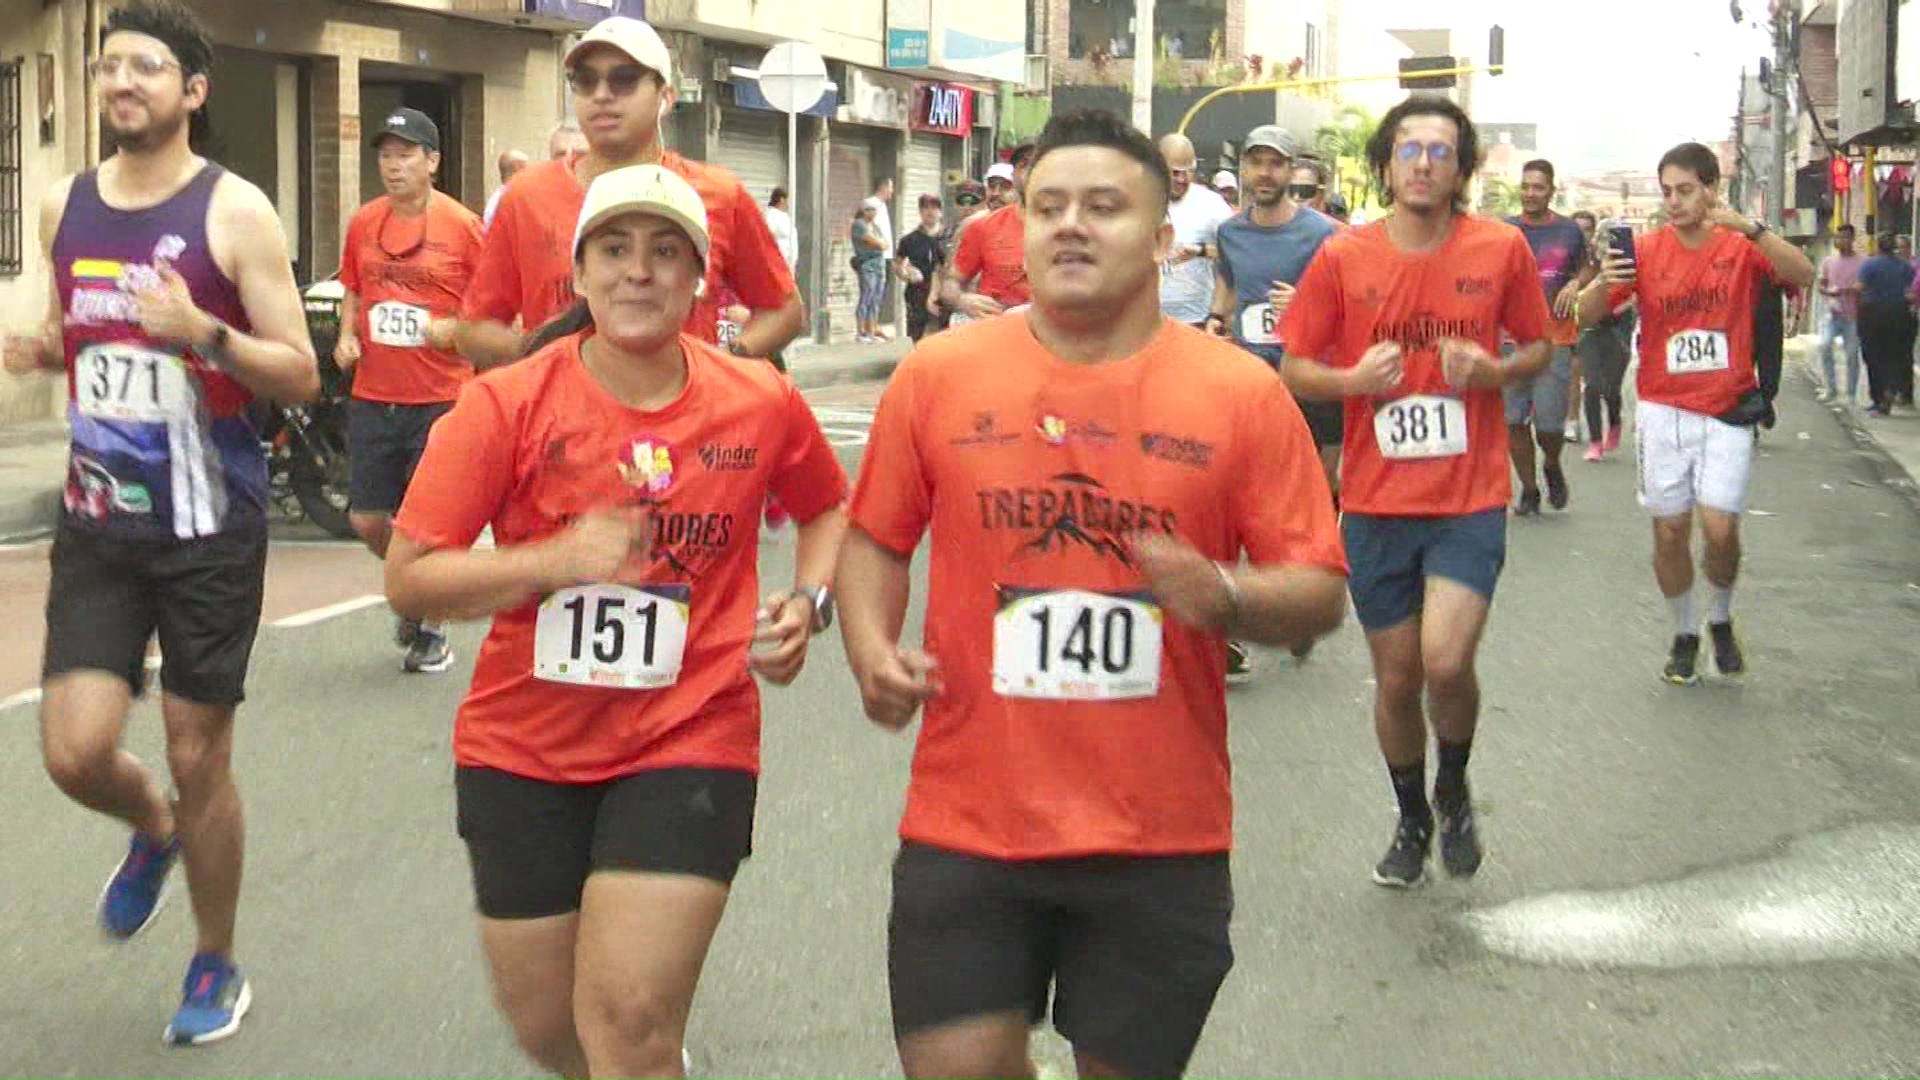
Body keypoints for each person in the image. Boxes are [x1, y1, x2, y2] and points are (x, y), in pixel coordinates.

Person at [837, 107, 1347, 1080]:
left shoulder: (1239, 394)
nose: (1071, 225)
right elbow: (876, 538)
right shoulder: (940, 374)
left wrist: (1227, 594)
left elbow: (1319, 592)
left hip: (1159, 835)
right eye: (1049, 206)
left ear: (1163, 240)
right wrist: (870, 646)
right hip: (969, 821)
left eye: (1104, 207)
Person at [385, 164, 849, 1080]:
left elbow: (827, 504)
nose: (639, 272)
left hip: (691, 736)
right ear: (581, 273)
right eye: (616, 250)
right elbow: (411, 579)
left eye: (666, 252)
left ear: (699, 280)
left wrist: (811, 601)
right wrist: (555, 562)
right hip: (523, 749)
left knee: (629, 1021)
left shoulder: (757, 399)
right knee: (553, 1029)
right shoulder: (506, 403)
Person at [0, 0, 319, 1044]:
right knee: (75, 753)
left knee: (197, 753)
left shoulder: (237, 215)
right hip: (98, 524)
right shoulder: (62, 207)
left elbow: (304, 375)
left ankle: (215, 964)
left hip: (208, 528)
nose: (120, 82)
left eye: (144, 67)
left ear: (192, 92)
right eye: (107, 68)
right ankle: (153, 832)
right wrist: (46, 350)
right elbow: (70, 328)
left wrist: (205, 332)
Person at [1281, 94, 1554, 888]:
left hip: (1467, 497)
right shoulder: (1343, 258)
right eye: (1410, 149)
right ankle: (1411, 817)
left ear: (1463, 168)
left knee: (1444, 660)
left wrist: (1496, 371)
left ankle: (1454, 784)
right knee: (1398, 678)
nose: (1425, 162)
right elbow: (1295, 364)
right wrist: (1350, 379)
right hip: (1374, 502)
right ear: (1386, 164)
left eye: (1441, 150)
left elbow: (1539, 345)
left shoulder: (1499, 250)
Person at [1580, 141, 1815, 684]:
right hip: (1663, 409)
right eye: (1667, 192)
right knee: (1669, 531)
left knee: (1719, 528)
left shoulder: (1740, 247)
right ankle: (1685, 631)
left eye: (1685, 189)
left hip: (1726, 407)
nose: (1675, 201)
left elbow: (1801, 273)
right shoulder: (1645, 249)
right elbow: (1589, 316)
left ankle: (1721, 616)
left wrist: (1751, 229)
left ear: (1712, 188)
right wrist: (1604, 279)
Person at [454, 16, 802, 369]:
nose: (602, 95)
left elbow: (784, 311)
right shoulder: (526, 195)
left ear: (665, 97)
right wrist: (546, 366)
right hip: (565, 421)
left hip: (686, 419)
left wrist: (723, 364)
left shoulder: (719, 194)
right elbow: (475, 329)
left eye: (624, 79)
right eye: (586, 81)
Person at [332, 108, 483, 674]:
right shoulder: (364, 222)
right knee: (370, 520)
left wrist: (457, 331)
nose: (393, 167)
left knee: (426, 520)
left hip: (442, 396)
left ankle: (431, 621)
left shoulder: (464, 227)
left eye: (405, 155)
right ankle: (416, 589)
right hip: (375, 393)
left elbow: (491, 303)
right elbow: (352, 287)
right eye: (385, 156)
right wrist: (347, 335)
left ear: (432, 162)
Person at [1206, 123, 1341, 678]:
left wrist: (1309, 303)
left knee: (1316, 501)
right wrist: (1216, 322)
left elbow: (1351, 304)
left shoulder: (1326, 234)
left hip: (1312, 382)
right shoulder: (1230, 232)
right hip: (1250, 383)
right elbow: (1230, 288)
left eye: (1275, 163)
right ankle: (1233, 626)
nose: (1264, 173)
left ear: (1291, 173)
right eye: (1256, 162)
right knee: (1233, 498)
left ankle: (1304, 603)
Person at [1503, 159, 1593, 514]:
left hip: (1554, 339)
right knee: (1513, 420)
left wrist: (1575, 283)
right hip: (1510, 339)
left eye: (1538, 187)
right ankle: (1528, 488)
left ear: (1551, 191)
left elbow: (1587, 266)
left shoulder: (1569, 231)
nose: (1530, 194)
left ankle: (1552, 464)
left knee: (1549, 425)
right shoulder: (1505, 231)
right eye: (1525, 187)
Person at [943, 143, 1037, 325]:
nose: (1030, 172)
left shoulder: (1071, 226)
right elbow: (951, 283)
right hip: (996, 330)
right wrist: (962, 300)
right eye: (1023, 164)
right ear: (1015, 173)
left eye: (1037, 163)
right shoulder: (982, 227)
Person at [1156, 133, 1235, 329]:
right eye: (1175, 172)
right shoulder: (1140, 200)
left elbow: (1237, 251)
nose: (1182, 179)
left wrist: (1201, 250)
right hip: (1146, 321)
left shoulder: (1211, 204)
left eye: (1189, 171)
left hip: (1197, 320)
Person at [1574, 213, 1634, 462]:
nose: (1606, 243)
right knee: (1592, 386)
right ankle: (1596, 442)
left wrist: (1617, 310)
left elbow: (1638, 293)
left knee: (1611, 389)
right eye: (1604, 237)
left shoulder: (1629, 262)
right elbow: (1578, 295)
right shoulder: (1587, 264)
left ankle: (1615, 422)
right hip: (1590, 328)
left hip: (1619, 326)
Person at [1856, 231, 1917, 417]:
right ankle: (1891, 388)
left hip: (1873, 313)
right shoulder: (1905, 267)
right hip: (1899, 312)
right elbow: (1910, 289)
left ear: (1878, 246)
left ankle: (1878, 398)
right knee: (1895, 355)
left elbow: (1860, 287)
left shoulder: (1869, 265)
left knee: (1873, 356)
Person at [1813, 224, 1863, 404]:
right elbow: (1821, 283)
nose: (1841, 241)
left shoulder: (1862, 262)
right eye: (1838, 237)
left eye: (1845, 237)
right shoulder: (1828, 261)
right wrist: (1825, 291)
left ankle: (1850, 394)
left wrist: (1842, 290)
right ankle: (1831, 389)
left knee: (1851, 354)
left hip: (1853, 315)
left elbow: (1861, 286)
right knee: (1825, 346)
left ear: (1852, 239)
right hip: (1831, 314)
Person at [895, 193, 945, 342]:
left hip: (942, 293)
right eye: (925, 208)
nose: (930, 212)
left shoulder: (949, 236)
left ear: (940, 211)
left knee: (942, 335)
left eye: (934, 208)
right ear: (920, 211)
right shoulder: (909, 240)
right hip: (917, 292)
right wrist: (905, 273)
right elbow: (897, 263)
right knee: (917, 334)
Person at [853, 202, 890, 343]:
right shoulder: (859, 225)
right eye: (869, 209)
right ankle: (861, 332)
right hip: (867, 264)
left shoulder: (876, 226)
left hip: (879, 263)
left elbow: (885, 244)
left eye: (874, 210)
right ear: (863, 211)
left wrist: (880, 243)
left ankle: (871, 331)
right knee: (866, 296)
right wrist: (879, 243)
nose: (872, 212)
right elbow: (875, 242)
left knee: (876, 299)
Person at [483, 149, 531, 230]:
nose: (530, 174)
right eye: (527, 169)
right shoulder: (502, 202)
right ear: (517, 168)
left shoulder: (505, 198)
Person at [764, 185, 799, 271]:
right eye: (788, 200)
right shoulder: (772, 216)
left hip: (787, 265)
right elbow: (767, 236)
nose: (789, 203)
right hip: (779, 265)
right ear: (782, 199)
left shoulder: (782, 215)